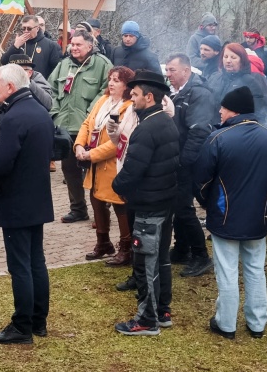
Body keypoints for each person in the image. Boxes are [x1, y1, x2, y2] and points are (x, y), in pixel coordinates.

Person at [194, 86, 267, 339]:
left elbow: (201, 181)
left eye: (223, 108)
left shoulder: (218, 139)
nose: (219, 111)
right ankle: (257, 323)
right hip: (258, 217)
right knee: (255, 269)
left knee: (227, 270)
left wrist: (208, 204)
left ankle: (226, 324)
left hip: (225, 217)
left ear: (234, 110)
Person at [0, 65, 55, 344]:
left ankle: (22, 326)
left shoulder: (13, 118)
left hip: (16, 200)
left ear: (11, 87)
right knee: (37, 261)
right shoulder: (39, 112)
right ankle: (39, 321)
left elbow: (1, 163)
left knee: (20, 265)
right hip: (36, 198)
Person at [111, 69, 180, 336]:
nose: (132, 98)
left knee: (146, 262)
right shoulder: (165, 122)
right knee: (161, 259)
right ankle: (162, 310)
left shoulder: (148, 128)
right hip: (163, 202)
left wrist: (117, 186)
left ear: (149, 97)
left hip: (150, 206)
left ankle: (147, 320)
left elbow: (132, 170)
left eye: (136, 94)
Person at [48, 31, 112, 223]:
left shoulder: (102, 64)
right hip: (66, 127)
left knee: (94, 171)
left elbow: (107, 91)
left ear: (89, 46)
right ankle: (78, 209)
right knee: (70, 170)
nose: (74, 48)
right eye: (72, 45)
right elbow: (50, 88)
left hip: (91, 128)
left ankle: (101, 211)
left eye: (78, 45)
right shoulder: (64, 64)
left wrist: (91, 114)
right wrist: (55, 112)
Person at [74, 66, 135, 264]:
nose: (111, 83)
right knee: (96, 201)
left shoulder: (129, 107)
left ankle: (126, 248)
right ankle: (103, 242)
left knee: (119, 204)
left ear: (127, 85)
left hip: (115, 163)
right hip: (95, 163)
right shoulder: (102, 100)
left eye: (117, 80)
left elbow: (120, 140)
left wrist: (92, 154)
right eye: (110, 78)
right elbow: (87, 123)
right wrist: (78, 145)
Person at [163, 53, 215, 278]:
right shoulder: (175, 93)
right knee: (177, 206)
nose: (168, 74)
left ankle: (201, 256)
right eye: (167, 70)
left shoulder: (199, 94)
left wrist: (183, 161)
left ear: (186, 71)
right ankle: (182, 248)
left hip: (188, 161)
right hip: (177, 158)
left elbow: (199, 131)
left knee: (183, 207)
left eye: (172, 70)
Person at [206, 43, 267, 126]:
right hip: (213, 128)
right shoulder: (215, 78)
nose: (228, 61)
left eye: (233, 57)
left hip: (237, 129)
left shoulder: (250, 82)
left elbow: (258, 111)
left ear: (242, 61)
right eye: (225, 57)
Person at [0, 14, 62, 80]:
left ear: (37, 28)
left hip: (39, 85)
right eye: (23, 28)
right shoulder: (19, 42)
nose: (26, 31)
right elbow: (4, 61)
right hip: (20, 85)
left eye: (29, 28)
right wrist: (15, 46)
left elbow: (56, 71)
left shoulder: (51, 45)